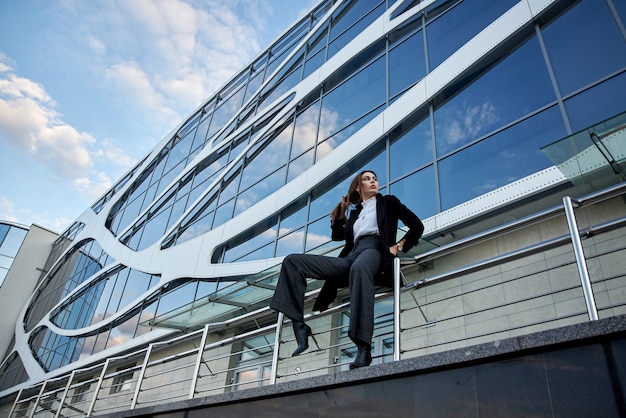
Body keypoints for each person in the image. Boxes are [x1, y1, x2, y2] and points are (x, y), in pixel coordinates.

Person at [270, 170, 424, 369]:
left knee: (359, 269)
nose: (373, 181)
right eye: (367, 179)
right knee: (292, 261)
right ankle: (299, 326)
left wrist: (399, 246)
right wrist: (342, 212)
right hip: (352, 256)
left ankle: (363, 348)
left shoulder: (389, 202)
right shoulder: (356, 213)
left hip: (375, 249)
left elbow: (416, 226)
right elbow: (339, 236)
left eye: (375, 179)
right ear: (358, 187)